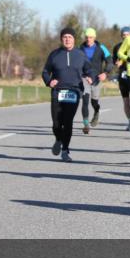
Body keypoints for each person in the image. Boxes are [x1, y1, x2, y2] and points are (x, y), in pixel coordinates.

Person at [41, 27, 94, 162]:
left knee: (68, 122)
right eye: (65, 37)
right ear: (61, 39)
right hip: (57, 91)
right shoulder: (54, 54)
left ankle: (65, 150)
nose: (67, 39)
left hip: (74, 91)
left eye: (70, 37)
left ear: (74, 39)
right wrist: (49, 81)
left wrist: (90, 77)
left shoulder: (80, 54)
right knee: (56, 123)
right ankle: (58, 139)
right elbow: (45, 71)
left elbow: (89, 70)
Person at [79, 27, 111, 134]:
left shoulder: (101, 47)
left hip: (97, 79)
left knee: (94, 102)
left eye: (91, 37)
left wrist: (105, 73)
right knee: (85, 100)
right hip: (84, 78)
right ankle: (86, 124)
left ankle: (97, 111)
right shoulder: (80, 48)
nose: (88, 39)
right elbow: (77, 64)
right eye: (87, 37)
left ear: (95, 37)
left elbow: (109, 61)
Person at [113, 26, 130, 127]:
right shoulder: (117, 47)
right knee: (126, 101)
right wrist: (117, 63)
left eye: (127, 35)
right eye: (124, 35)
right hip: (123, 76)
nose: (125, 37)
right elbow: (114, 61)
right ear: (121, 36)